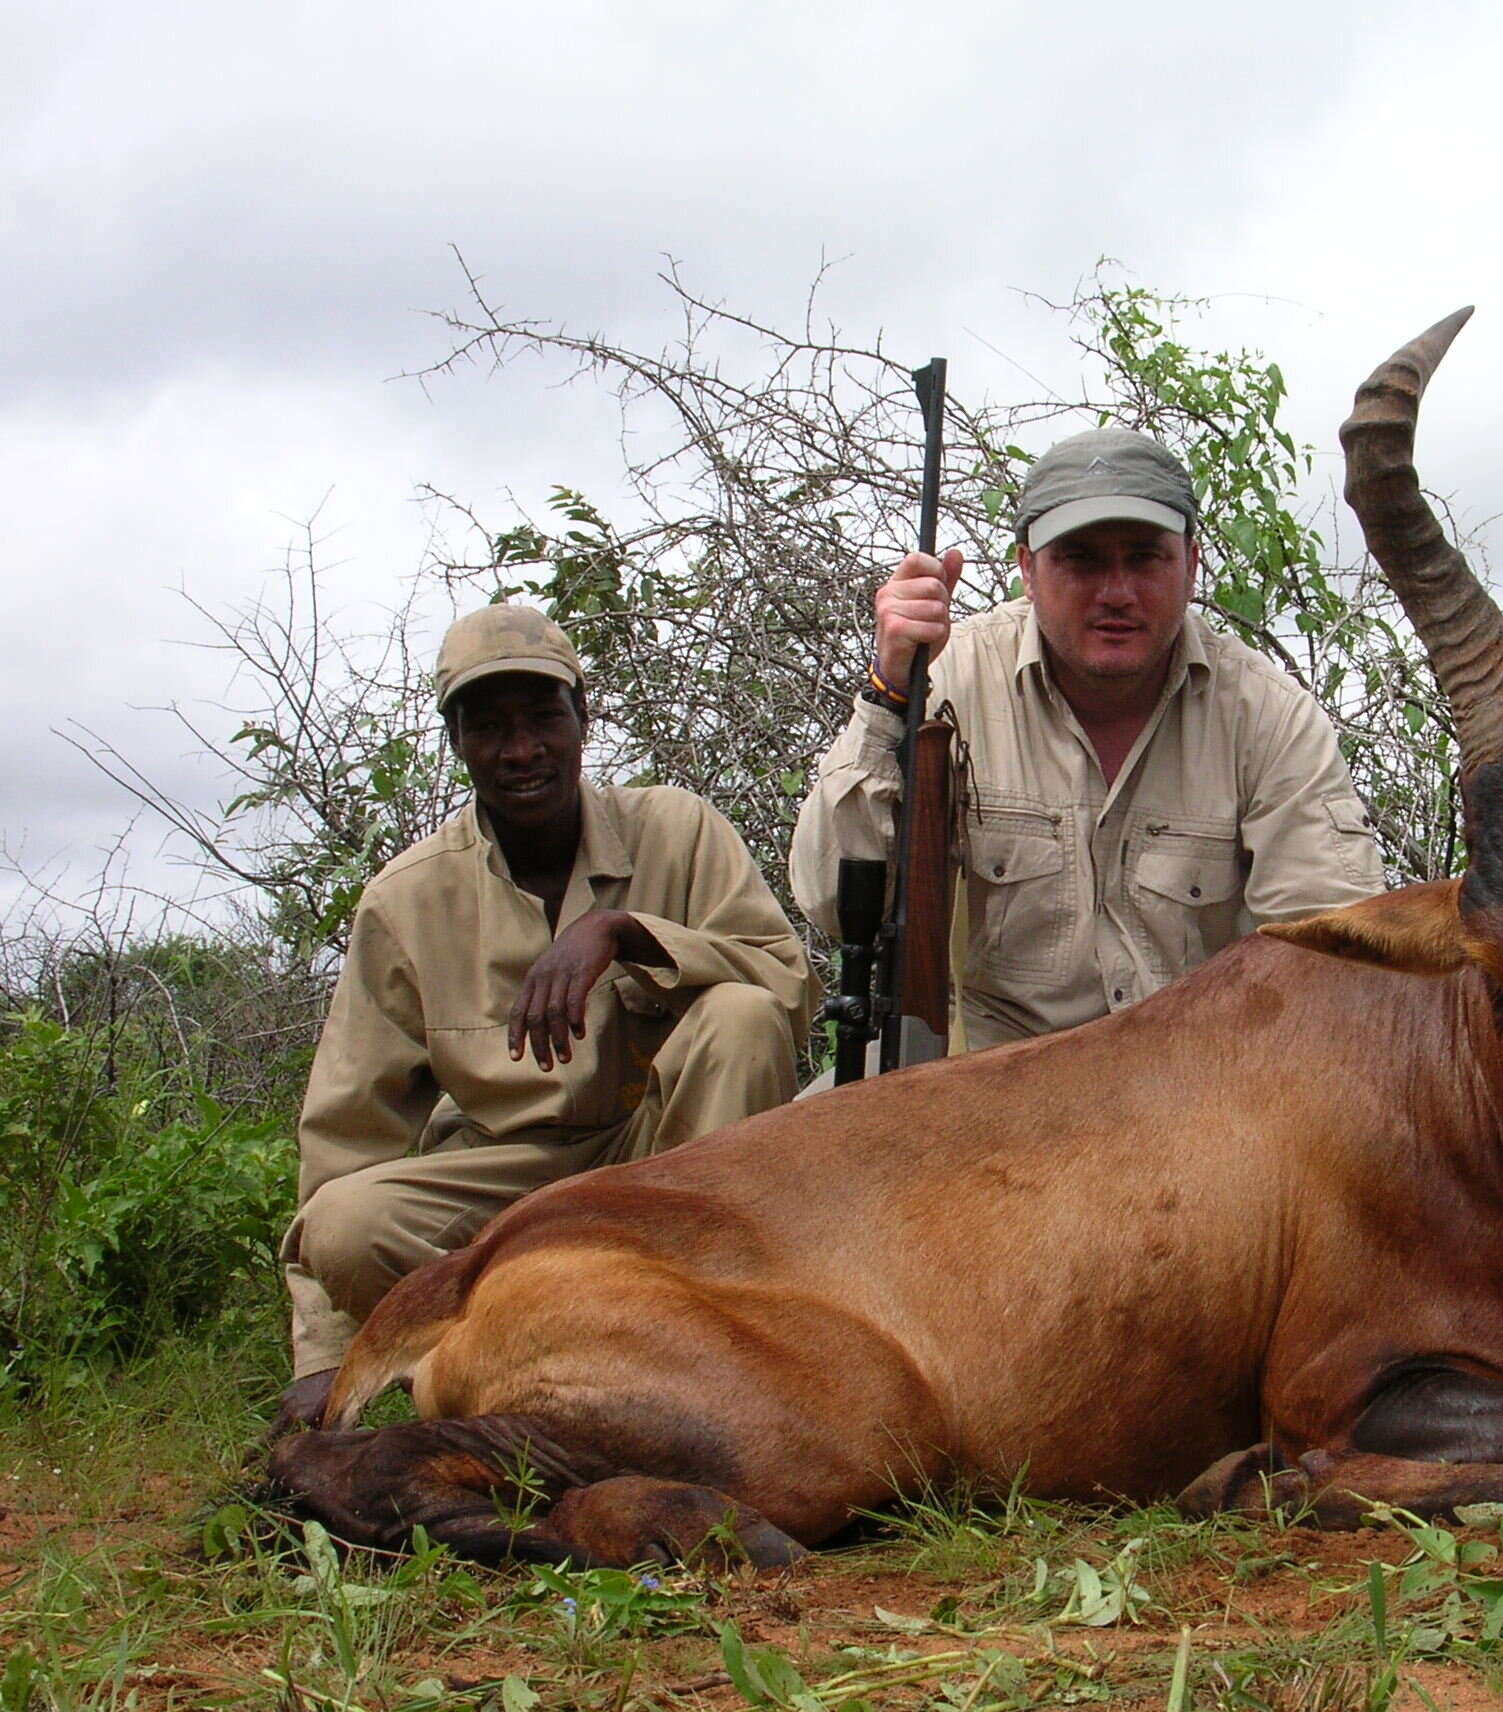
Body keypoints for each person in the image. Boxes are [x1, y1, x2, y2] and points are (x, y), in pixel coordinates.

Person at [273, 605, 817, 1428]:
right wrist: (323, 1357)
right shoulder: (407, 900)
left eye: (542, 719)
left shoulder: (675, 829)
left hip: (667, 1169)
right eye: (487, 727)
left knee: (739, 1015)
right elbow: (347, 1142)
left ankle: (707, 1343)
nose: (519, 750)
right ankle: (551, 1332)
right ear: (456, 743)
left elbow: (788, 985)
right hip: (509, 1190)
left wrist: (626, 933)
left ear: (584, 720)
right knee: (347, 1223)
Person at [792, 427, 1385, 1051]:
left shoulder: (1268, 714)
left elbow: (1336, 961)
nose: (1117, 593)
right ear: (1027, 569)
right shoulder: (945, 676)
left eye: (1145, 557)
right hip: (996, 1087)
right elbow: (833, 899)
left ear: (1191, 564)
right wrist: (890, 693)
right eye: (1082, 559)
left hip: (1199, 1089)